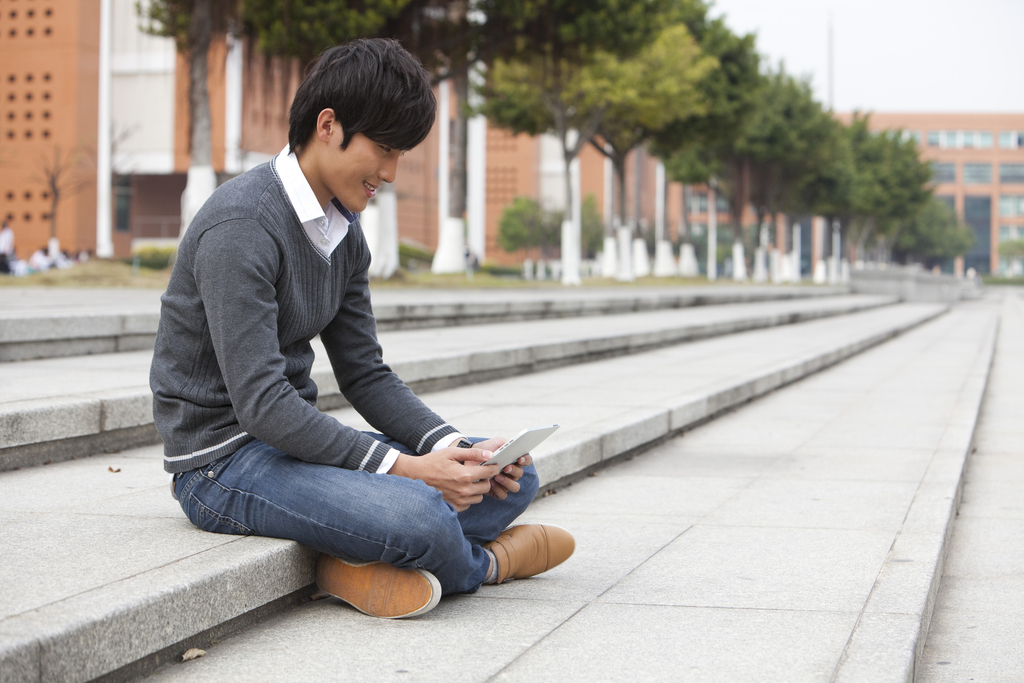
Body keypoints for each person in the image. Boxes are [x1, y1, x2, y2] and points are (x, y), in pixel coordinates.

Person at [150, 39, 573, 620]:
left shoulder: (343, 231)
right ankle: (486, 565)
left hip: (290, 445)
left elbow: (366, 374)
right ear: (328, 126)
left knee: (507, 482)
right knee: (421, 514)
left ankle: (355, 557)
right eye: (384, 149)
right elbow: (263, 405)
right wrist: (409, 472)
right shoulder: (241, 225)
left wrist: (453, 448)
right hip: (223, 466)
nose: (392, 173)